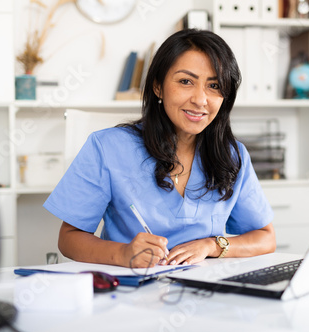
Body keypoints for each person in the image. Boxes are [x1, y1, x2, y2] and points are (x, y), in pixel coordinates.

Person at [44, 29, 276, 268]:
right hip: (131, 291)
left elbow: (266, 237)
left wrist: (212, 245)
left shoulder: (232, 155)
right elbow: (69, 239)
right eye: (186, 81)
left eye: (214, 85)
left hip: (205, 291)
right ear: (157, 87)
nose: (200, 99)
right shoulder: (107, 148)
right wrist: (124, 254)